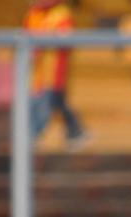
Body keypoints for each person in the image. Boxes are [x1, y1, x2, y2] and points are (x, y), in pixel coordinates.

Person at [23, 0, 87, 148]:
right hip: (35, 69)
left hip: (53, 69)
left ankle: (34, 134)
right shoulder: (33, 14)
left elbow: (63, 42)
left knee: (49, 103)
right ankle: (74, 131)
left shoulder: (61, 14)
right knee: (51, 102)